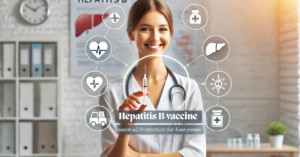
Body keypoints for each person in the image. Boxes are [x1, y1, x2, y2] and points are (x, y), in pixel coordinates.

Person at [99, 0, 206, 156]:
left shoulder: (189, 89)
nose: (155, 37)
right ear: (131, 33)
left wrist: (138, 155)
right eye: (145, 29)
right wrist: (125, 129)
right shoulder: (111, 93)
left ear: (171, 33)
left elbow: (196, 153)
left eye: (162, 29)